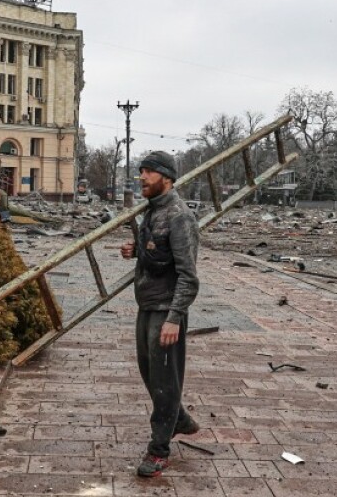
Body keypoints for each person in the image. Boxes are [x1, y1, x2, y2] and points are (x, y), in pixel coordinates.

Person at [119, 151, 201, 478]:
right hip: (147, 304)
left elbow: (188, 276)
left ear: (166, 177)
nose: (142, 177)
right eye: (141, 171)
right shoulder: (153, 212)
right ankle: (178, 418)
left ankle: (158, 450)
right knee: (149, 373)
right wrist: (136, 251)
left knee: (165, 379)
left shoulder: (180, 216)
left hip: (167, 308)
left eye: (148, 172)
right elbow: (158, 252)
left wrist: (174, 318)